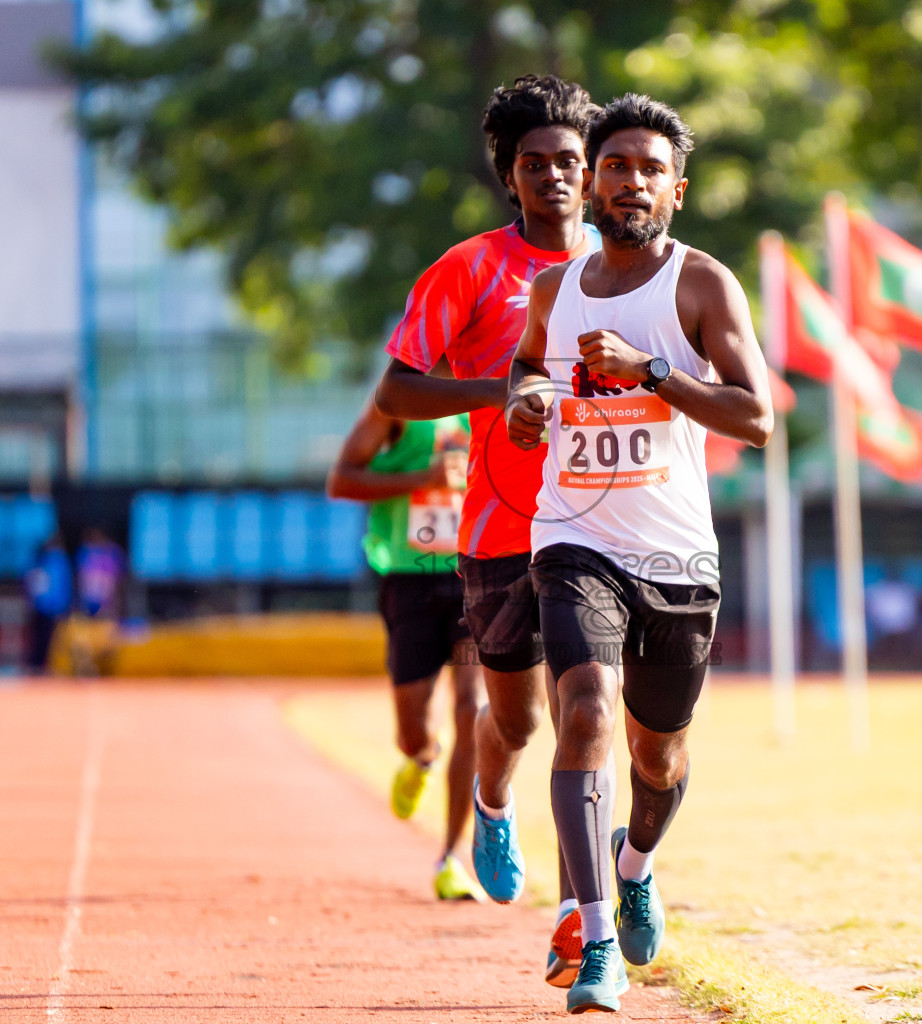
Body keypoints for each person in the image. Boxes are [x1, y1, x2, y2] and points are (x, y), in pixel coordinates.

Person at [505, 94, 773, 1013]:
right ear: (593, 182)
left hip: (677, 557)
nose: (631, 182)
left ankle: (636, 864)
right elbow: (528, 365)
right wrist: (527, 401)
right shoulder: (556, 288)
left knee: (658, 758)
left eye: (651, 169)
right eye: (615, 165)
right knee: (584, 711)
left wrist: (651, 371)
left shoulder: (702, 285)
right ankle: (595, 939)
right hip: (573, 537)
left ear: (677, 190)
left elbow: (756, 416)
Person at [371, 74, 602, 985]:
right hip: (501, 528)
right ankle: (492, 800)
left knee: (588, 712)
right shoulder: (469, 269)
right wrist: (499, 390)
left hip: (602, 530)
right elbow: (398, 390)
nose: (553, 176)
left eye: (568, 161)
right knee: (513, 720)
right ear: (510, 176)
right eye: (533, 163)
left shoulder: (626, 269)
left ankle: (584, 917)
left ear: (591, 171)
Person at [327, 403, 485, 901]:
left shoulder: (496, 393)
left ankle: (452, 857)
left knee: (472, 709)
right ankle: (422, 757)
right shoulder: (399, 401)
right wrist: (425, 476)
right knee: (413, 730)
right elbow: (341, 481)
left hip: (477, 574)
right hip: (409, 578)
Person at [25, 532, 73, 674]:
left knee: (46, 638)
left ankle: (42, 664)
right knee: (44, 638)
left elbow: (61, 585)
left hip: (45, 606)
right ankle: (40, 665)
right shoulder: (53, 561)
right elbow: (61, 586)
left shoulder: (45, 561)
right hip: (48, 607)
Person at [75, 528, 125, 619]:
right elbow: (80, 577)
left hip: (107, 601)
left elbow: (117, 580)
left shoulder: (113, 553)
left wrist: (116, 602)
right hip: (88, 600)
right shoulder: (84, 552)